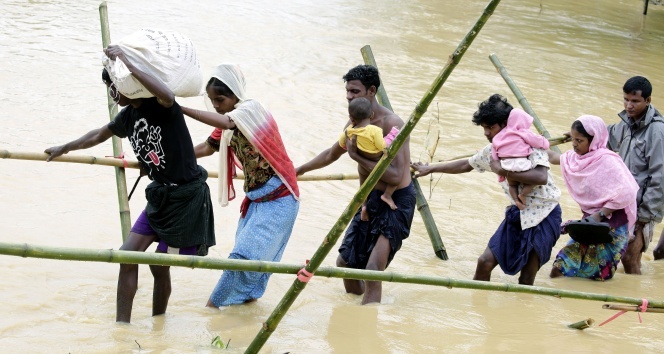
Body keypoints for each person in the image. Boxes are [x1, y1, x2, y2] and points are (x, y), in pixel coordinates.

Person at [44, 45, 215, 323]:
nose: (112, 92)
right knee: (127, 255)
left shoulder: (162, 108)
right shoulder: (128, 116)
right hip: (160, 197)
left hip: (185, 199)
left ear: (127, 83)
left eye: (113, 85)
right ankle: (122, 328)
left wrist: (126, 62)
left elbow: (168, 95)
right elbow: (97, 135)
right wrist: (64, 147)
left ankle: (158, 323)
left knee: (159, 266)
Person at [181, 64, 300, 307]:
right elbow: (206, 147)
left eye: (220, 99)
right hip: (257, 201)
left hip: (279, 200)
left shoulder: (250, 110)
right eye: (212, 100)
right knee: (249, 261)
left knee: (243, 258)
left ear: (236, 94)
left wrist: (179, 108)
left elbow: (227, 122)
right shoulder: (228, 122)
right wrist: (175, 159)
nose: (215, 105)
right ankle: (242, 316)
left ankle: (214, 306)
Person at [411, 94, 562, 285]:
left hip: (545, 214)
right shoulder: (493, 151)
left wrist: (502, 171)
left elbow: (541, 177)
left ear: (505, 125)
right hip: (520, 213)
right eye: (484, 128)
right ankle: (476, 309)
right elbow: (466, 164)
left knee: (527, 277)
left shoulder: (531, 144)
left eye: (490, 127)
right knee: (484, 262)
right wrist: (430, 168)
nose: (486, 133)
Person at [296, 64, 415, 304]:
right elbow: (331, 154)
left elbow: (393, 175)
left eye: (355, 91)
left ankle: (369, 324)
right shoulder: (354, 124)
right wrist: (299, 169)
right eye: (347, 91)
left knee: (373, 269)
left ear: (371, 91)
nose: (349, 96)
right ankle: (355, 317)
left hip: (396, 200)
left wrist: (357, 157)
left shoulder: (393, 124)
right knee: (345, 264)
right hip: (370, 198)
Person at [548, 116, 638, 280]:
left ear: (594, 139)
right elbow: (554, 158)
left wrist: (600, 214)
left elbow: (628, 191)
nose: (574, 144)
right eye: (573, 139)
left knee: (596, 277)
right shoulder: (575, 158)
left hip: (612, 227)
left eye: (580, 140)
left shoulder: (607, 160)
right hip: (589, 225)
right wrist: (534, 145)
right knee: (559, 268)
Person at [606, 76, 664, 274]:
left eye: (635, 101)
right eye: (626, 100)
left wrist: (645, 216)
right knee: (621, 253)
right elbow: (605, 137)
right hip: (625, 201)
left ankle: (639, 297)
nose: (629, 106)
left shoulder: (657, 131)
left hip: (644, 206)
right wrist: (579, 133)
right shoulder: (625, 124)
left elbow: (660, 177)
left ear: (648, 101)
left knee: (630, 256)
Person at [340, 97, 400, 216]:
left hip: (362, 166)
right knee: (397, 178)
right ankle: (387, 195)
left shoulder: (348, 131)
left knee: (363, 189)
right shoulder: (374, 130)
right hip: (375, 162)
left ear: (351, 118)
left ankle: (363, 207)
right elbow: (382, 146)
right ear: (371, 115)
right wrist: (393, 134)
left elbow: (342, 143)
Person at [491, 108, 550, 210]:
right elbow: (540, 143)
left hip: (506, 165)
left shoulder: (499, 135)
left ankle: (516, 200)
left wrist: (500, 173)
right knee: (533, 180)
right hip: (522, 164)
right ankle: (522, 194)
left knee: (512, 186)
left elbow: (494, 153)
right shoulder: (523, 132)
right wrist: (544, 140)